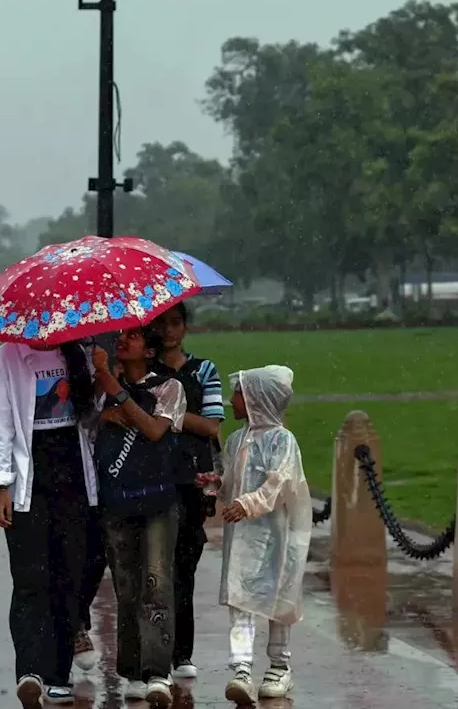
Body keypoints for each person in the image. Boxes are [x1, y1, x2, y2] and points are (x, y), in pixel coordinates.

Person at [0, 339, 98, 706]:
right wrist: (0, 484)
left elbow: (92, 417)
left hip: (74, 480)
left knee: (69, 577)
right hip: (28, 481)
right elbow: (0, 419)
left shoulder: (78, 353)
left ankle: (58, 673)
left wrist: (100, 371)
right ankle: (30, 670)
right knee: (31, 578)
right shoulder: (8, 356)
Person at [197, 365, 312, 703]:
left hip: (278, 535)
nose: (232, 401)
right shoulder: (236, 440)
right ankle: (242, 669)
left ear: (256, 399)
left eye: (238, 394)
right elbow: (231, 479)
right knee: (240, 598)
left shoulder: (282, 441)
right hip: (244, 537)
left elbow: (278, 483)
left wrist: (248, 504)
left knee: (279, 598)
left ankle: (279, 666)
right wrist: (215, 484)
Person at [92, 325, 186, 708]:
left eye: (133, 336)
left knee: (157, 584)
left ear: (149, 350)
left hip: (159, 503)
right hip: (117, 502)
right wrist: (103, 412)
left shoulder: (169, 388)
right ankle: (131, 669)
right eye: (122, 335)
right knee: (126, 588)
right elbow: (85, 425)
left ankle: (158, 671)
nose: (123, 339)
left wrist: (115, 389)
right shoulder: (99, 390)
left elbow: (152, 430)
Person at [152, 302, 224, 679]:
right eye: (161, 323)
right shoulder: (145, 372)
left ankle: (183, 653)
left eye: (176, 323)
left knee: (185, 568)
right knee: (154, 570)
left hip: (193, 479)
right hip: (153, 477)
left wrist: (168, 415)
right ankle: (155, 654)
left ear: (186, 327)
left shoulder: (204, 370)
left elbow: (212, 427)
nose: (168, 331)